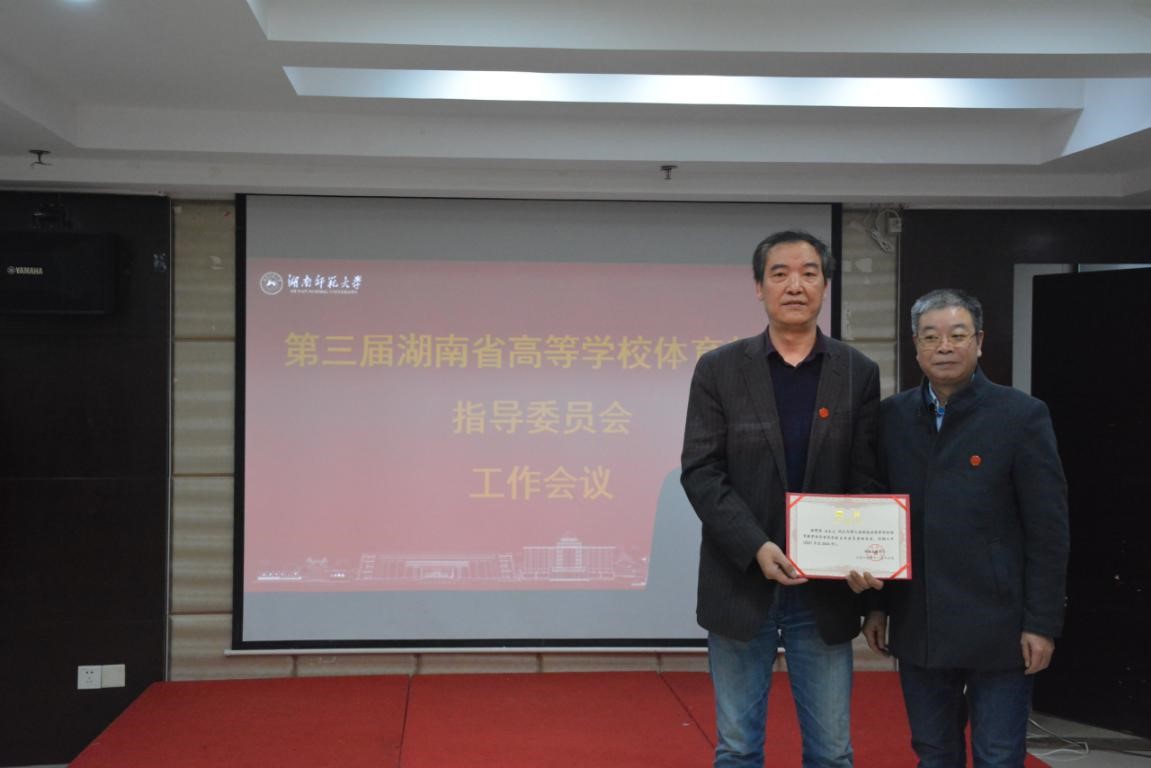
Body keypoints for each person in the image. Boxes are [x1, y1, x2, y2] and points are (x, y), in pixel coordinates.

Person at [681, 230, 880, 768]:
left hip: (826, 592)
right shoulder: (719, 369)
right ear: (758, 287)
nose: (796, 285)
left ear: (825, 285)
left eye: (809, 273)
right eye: (780, 274)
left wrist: (863, 553)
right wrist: (755, 545)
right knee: (738, 749)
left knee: (832, 752)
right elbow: (701, 471)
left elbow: (865, 478)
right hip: (741, 581)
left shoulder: (857, 372)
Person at [857, 288, 1070, 768]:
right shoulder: (891, 417)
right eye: (931, 337)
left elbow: (1048, 530)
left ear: (979, 342)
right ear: (916, 346)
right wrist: (875, 605)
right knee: (934, 752)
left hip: (1000, 625)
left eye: (957, 335)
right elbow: (878, 515)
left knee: (998, 754)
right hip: (920, 621)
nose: (944, 347)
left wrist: (1041, 623)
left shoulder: (1021, 416)